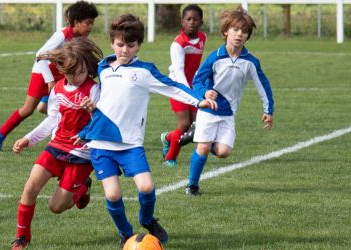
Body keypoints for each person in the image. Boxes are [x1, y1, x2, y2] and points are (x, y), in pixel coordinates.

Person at [75, 14, 217, 248]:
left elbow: (172, 86)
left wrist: (198, 100)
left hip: (130, 144)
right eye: (120, 45)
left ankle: (147, 220)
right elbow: (96, 95)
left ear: (139, 45)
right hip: (101, 144)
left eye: (130, 46)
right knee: (112, 195)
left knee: (147, 187)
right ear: (112, 43)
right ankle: (126, 234)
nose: (124, 50)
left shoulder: (145, 71)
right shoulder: (103, 68)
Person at [10, 37, 103, 249]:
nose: (77, 77)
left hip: (81, 154)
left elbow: (104, 121)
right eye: (71, 73)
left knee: (56, 206)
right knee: (30, 186)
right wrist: (28, 138)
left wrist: (94, 109)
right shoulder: (58, 89)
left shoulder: (94, 90)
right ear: (62, 69)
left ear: (87, 66)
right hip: (56, 147)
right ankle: (22, 237)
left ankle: (82, 188)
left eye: (81, 71)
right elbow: (52, 119)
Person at [185, 7, 274, 196]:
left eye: (244, 31)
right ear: (226, 31)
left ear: (248, 36)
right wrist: (205, 94)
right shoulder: (215, 58)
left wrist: (269, 110)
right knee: (203, 147)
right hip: (209, 110)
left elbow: (263, 85)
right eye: (235, 30)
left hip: (228, 113)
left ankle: (197, 136)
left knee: (224, 151)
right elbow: (197, 81)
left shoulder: (250, 62)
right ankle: (192, 185)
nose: (239, 34)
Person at [0, 0, 99, 152]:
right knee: (28, 110)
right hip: (42, 72)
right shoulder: (62, 35)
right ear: (76, 22)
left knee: (58, 106)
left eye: (92, 23)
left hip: (61, 75)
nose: (91, 27)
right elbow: (40, 55)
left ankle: (65, 135)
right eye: (88, 23)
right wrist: (50, 81)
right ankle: (0, 133)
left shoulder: (81, 38)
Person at [160, 4, 207, 167]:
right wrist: (188, 92)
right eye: (188, 19)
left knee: (197, 126)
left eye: (195, 19)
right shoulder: (178, 44)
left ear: (201, 21)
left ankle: (168, 137)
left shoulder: (202, 38)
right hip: (176, 86)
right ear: (182, 22)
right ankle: (170, 158)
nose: (192, 22)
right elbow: (179, 72)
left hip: (192, 87)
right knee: (185, 123)